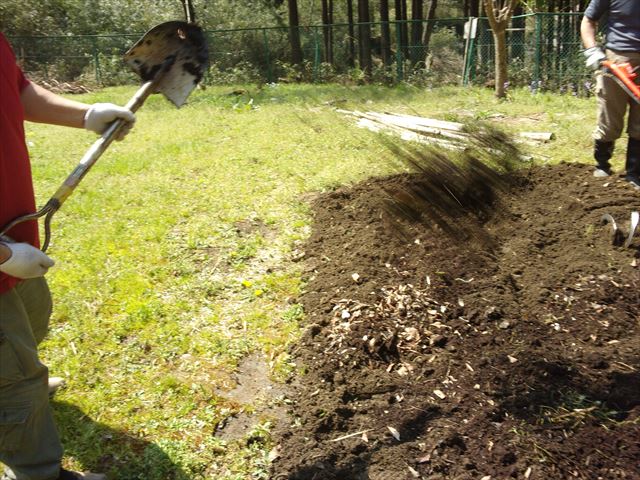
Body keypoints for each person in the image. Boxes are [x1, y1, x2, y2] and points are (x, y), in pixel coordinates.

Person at [0, 32, 135, 480]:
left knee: (34, 319)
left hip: (15, 237)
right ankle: (38, 470)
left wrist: (87, 114)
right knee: (15, 378)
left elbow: (16, 89)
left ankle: (21, 394)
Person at [580, 0, 640, 189]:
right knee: (609, 117)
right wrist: (592, 50)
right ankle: (603, 166)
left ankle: (634, 174)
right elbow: (588, 20)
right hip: (617, 59)